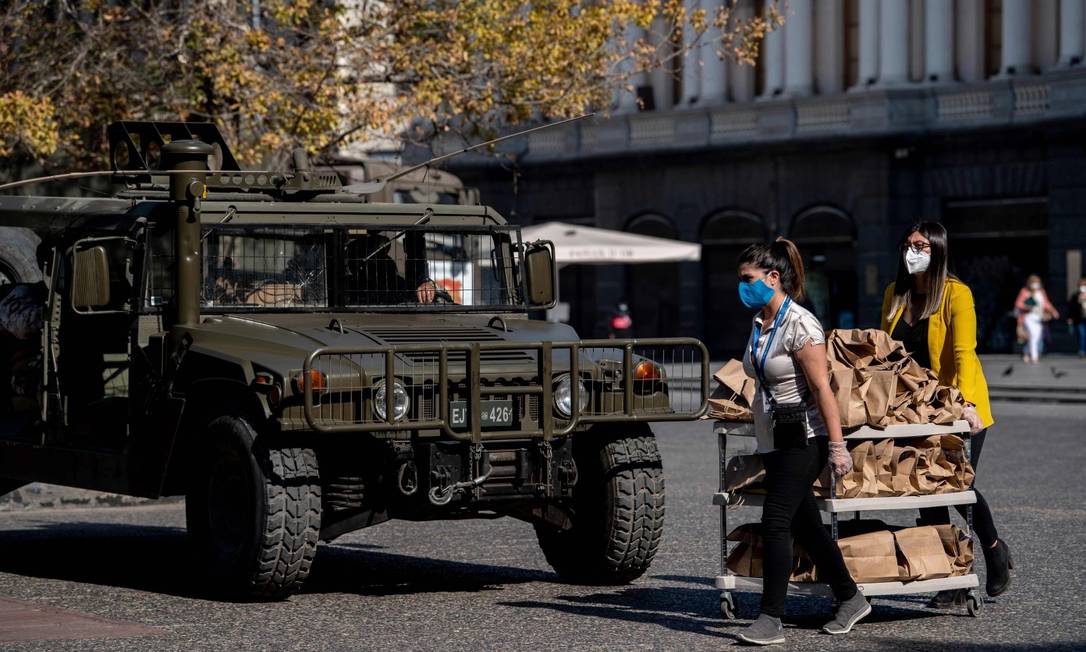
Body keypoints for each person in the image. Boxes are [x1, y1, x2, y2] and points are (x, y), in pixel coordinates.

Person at [735, 238, 867, 646]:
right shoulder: (761, 322)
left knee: (776, 521)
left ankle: (770, 617)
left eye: (748, 279)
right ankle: (850, 596)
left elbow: (822, 389)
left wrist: (837, 445)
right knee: (806, 526)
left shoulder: (802, 325)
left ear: (773, 278)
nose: (742, 286)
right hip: (775, 437)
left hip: (805, 438)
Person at [881, 221, 1012, 607]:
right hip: (912, 411)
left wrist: (967, 404)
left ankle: (993, 549)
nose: (913, 251)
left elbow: (964, 354)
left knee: (955, 486)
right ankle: (950, 576)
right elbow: (885, 352)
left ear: (938, 249)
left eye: (921, 245)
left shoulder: (957, 294)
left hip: (956, 407)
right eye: (908, 244)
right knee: (926, 490)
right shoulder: (895, 294)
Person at [1014, 274, 1059, 364]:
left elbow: (1046, 303)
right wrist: (1027, 306)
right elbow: (1018, 304)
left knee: (1037, 337)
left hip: (1038, 317)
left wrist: (1053, 311)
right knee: (1033, 335)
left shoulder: (1041, 292)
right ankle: (1034, 357)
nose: (1035, 284)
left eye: (1037, 282)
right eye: (1033, 282)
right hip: (1028, 317)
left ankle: (1026, 352)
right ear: (1029, 283)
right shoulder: (1025, 291)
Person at [1068, 277, 1086, 357]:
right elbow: (1071, 308)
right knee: (1081, 334)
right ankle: (1082, 350)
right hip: (1079, 318)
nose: (1083, 286)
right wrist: (1070, 318)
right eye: (1081, 285)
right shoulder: (1075, 296)